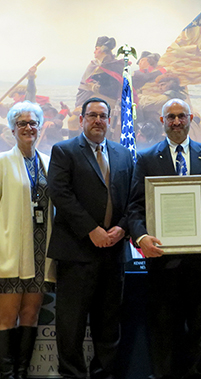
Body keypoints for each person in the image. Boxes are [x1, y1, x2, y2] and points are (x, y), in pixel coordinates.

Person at [128, 98, 201, 379]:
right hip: (162, 260)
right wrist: (141, 237)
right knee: (163, 324)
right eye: (170, 117)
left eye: (181, 116)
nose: (176, 121)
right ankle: (163, 375)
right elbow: (135, 206)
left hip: (200, 259)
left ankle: (194, 374)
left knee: (199, 324)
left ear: (191, 118)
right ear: (162, 121)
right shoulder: (147, 158)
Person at [47, 97, 134, 379]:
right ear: (82, 118)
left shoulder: (123, 154)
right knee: (70, 325)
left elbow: (134, 198)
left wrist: (122, 227)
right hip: (76, 252)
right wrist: (91, 230)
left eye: (103, 116)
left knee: (108, 323)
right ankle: (72, 375)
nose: (98, 120)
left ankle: (104, 375)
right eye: (92, 115)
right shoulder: (64, 151)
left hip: (114, 252)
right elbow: (60, 194)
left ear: (110, 120)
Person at [0, 101, 57, 379]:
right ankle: (6, 374)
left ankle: (21, 372)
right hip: (10, 251)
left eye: (33, 123)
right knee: (6, 316)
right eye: (22, 123)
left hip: (41, 253)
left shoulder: (49, 162)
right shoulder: (2, 161)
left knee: (30, 315)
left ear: (40, 128)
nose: (28, 128)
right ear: (12, 129)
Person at [75, 36, 124, 109]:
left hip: (107, 98)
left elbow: (114, 90)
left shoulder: (115, 66)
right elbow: (84, 85)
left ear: (103, 50)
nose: (94, 52)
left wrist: (95, 87)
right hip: (89, 96)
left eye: (96, 49)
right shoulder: (93, 65)